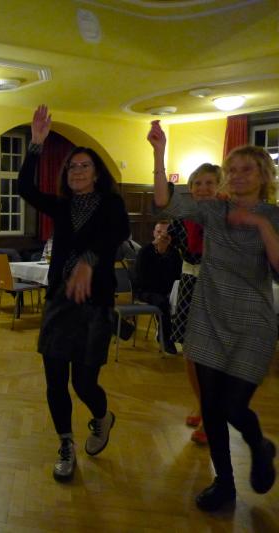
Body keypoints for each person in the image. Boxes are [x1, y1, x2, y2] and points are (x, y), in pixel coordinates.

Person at [149, 120, 278, 511]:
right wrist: (159, 152)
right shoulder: (213, 210)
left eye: (246, 169)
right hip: (208, 317)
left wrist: (259, 224)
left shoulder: (273, 216)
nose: (237, 175)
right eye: (232, 169)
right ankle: (224, 483)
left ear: (263, 175)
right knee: (210, 405)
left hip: (252, 323)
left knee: (234, 406)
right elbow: (165, 201)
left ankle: (258, 445)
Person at [19, 105, 129, 482]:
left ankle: (102, 416)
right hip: (59, 302)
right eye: (72, 167)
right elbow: (25, 188)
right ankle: (65, 442)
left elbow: (117, 234)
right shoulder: (63, 205)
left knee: (83, 382)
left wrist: (88, 261)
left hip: (95, 305)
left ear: (96, 173)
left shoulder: (112, 204)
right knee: (54, 379)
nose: (77, 171)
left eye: (84, 166)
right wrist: (36, 143)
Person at [165, 163, 222, 445]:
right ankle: (202, 404)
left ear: (220, 186)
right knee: (190, 352)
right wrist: (162, 244)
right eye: (198, 183)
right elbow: (169, 246)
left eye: (209, 183)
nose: (203, 188)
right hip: (189, 282)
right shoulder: (183, 216)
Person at [134, 220, 182, 354]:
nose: (162, 236)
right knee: (162, 302)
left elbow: (177, 275)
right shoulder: (145, 251)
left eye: (165, 233)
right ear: (154, 233)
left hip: (167, 289)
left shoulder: (174, 252)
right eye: (159, 232)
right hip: (146, 291)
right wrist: (160, 255)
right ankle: (165, 339)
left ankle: (183, 337)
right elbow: (143, 279)